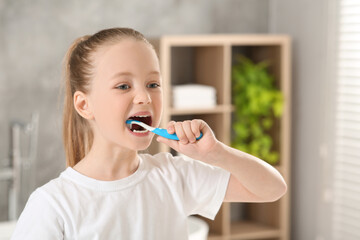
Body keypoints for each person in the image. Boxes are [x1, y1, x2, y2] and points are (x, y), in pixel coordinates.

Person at [11, 27, 287, 240]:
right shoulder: (53, 205)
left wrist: (216, 153)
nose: (144, 96)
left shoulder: (173, 175)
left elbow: (273, 188)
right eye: (123, 86)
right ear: (85, 105)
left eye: (153, 83)